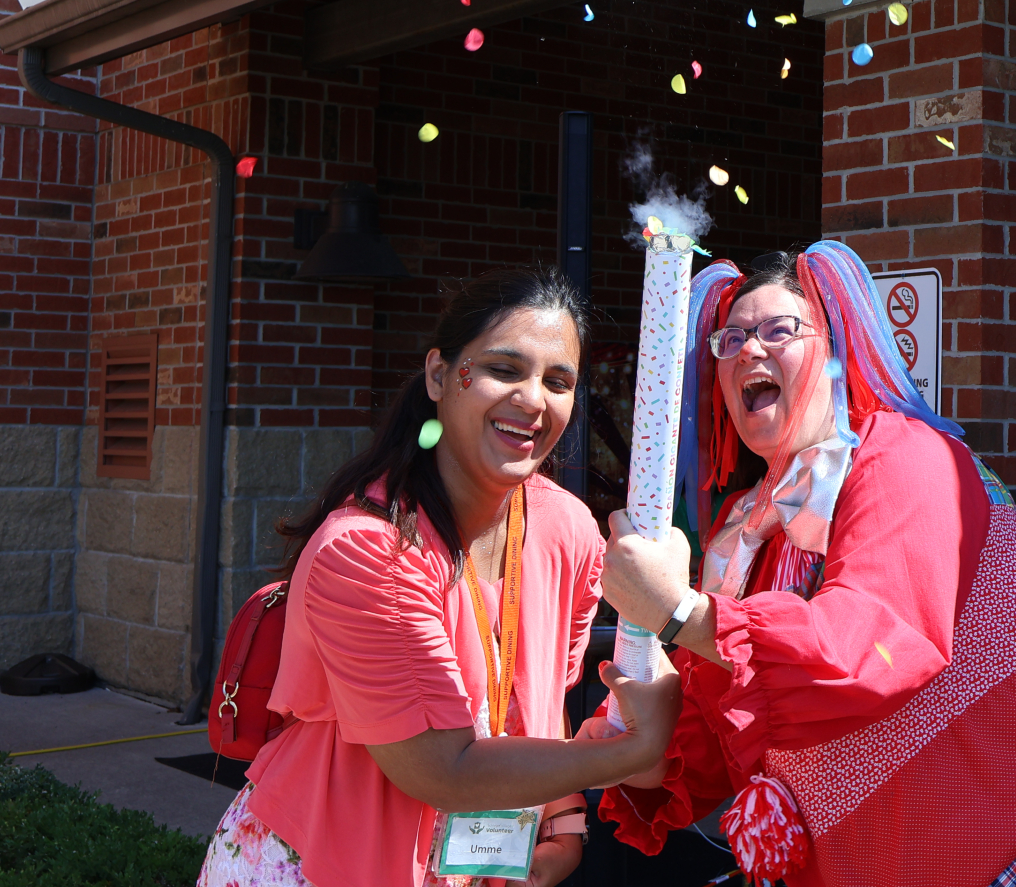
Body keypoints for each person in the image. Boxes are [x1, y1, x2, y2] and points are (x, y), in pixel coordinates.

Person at [585, 243, 1016, 886]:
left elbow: (870, 643)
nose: (749, 349)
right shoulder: (740, 532)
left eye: (779, 329)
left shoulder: (908, 456)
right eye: (732, 337)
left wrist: (681, 610)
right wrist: (643, 753)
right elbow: (737, 727)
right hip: (919, 854)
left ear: (834, 351)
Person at [198, 269, 680, 887]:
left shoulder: (569, 529)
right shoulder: (369, 553)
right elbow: (441, 769)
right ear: (437, 376)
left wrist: (562, 822)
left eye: (557, 381)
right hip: (327, 861)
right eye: (505, 369)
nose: (534, 399)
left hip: (477, 868)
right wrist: (630, 752)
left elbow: (536, 708)